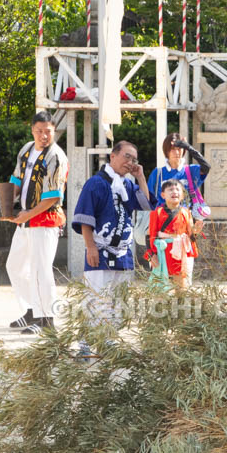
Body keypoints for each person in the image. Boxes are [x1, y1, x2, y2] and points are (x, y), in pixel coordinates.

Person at [71, 141, 150, 348]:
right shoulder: (96, 183)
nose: (130, 162)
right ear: (113, 156)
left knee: (116, 299)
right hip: (101, 250)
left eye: (134, 159)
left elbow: (145, 204)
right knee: (96, 297)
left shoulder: (128, 184)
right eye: (127, 156)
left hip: (122, 252)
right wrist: (90, 247)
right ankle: (85, 343)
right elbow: (85, 218)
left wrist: (140, 176)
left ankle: (107, 338)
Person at [3, 112, 69, 335]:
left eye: (48, 131)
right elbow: (16, 180)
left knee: (41, 270)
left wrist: (27, 214)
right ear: (32, 129)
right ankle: (33, 309)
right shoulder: (26, 149)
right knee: (14, 266)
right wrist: (7, 205)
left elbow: (52, 197)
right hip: (25, 219)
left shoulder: (56, 156)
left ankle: (47, 320)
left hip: (46, 220)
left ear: (53, 131)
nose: (43, 136)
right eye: (39, 131)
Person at [144, 180, 200, 291]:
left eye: (178, 189)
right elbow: (149, 235)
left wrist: (196, 230)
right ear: (163, 195)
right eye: (170, 189)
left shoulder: (186, 212)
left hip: (180, 253)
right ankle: (161, 307)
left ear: (182, 195)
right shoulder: (157, 212)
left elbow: (191, 235)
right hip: (162, 252)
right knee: (160, 287)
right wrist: (151, 254)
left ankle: (179, 305)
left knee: (181, 285)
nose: (174, 192)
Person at [145, 133, 211, 213]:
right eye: (172, 149)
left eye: (179, 149)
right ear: (166, 151)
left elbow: (206, 167)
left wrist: (189, 148)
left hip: (185, 219)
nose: (176, 152)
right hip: (163, 220)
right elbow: (149, 198)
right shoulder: (158, 173)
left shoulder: (191, 170)